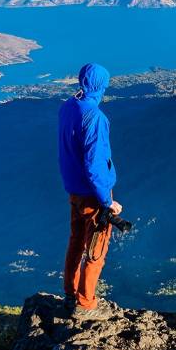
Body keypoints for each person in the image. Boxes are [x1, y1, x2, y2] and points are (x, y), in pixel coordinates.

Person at [58, 63, 123, 321]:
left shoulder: (68, 108)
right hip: (93, 195)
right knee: (95, 250)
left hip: (73, 191)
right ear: (102, 86)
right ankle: (86, 304)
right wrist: (107, 201)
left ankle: (70, 293)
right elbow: (95, 165)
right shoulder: (95, 117)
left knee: (75, 243)